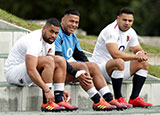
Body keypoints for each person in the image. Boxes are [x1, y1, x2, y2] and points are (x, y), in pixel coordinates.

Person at [55, 8, 127, 111]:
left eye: (76, 22)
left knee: (92, 66)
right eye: (71, 21)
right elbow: (58, 61)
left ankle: (109, 99)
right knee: (82, 66)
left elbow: (82, 57)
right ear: (63, 20)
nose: (74, 25)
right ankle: (97, 101)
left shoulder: (73, 37)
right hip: (54, 73)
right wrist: (76, 72)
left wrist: (90, 70)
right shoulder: (57, 34)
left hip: (64, 71)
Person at [4, 17, 78, 112]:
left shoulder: (51, 42)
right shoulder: (34, 40)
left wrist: (60, 89)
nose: (53, 35)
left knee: (60, 60)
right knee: (49, 60)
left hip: (27, 70)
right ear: (44, 29)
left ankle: (59, 100)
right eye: (51, 31)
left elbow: (51, 68)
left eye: (56, 33)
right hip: (13, 73)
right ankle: (47, 103)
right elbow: (31, 70)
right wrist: (47, 90)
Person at [92, 7, 152, 107]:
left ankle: (134, 98)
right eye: (124, 20)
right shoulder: (110, 30)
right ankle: (118, 98)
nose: (127, 23)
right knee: (119, 61)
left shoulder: (131, 31)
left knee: (143, 63)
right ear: (118, 18)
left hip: (117, 71)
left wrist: (141, 54)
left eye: (130, 21)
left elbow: (137, 49)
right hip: (99, 70)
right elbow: (115, 54)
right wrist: (135, 57)